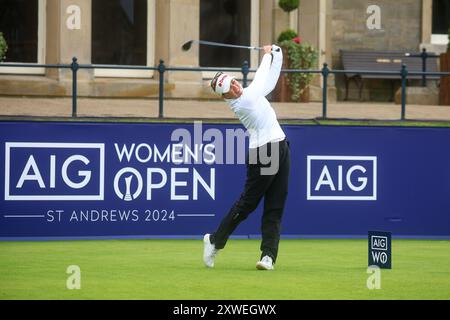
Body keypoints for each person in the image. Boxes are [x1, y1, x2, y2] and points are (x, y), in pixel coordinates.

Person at [203, 44, 290, 270]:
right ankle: (214, 240)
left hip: (280, 145)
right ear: (225, 97)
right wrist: (266, 54)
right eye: (229, 88)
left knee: (275, 204)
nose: (235, 86)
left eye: (233, 81)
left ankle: (268, 256)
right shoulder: (245, 101)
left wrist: (277, 54)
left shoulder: (250, 93)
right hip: (263, 153)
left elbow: (270, 81)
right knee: (247, 205)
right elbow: (262, 76)